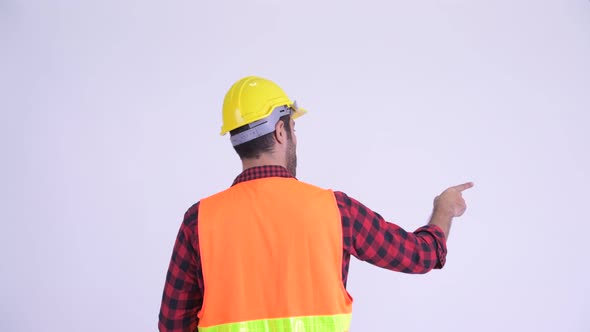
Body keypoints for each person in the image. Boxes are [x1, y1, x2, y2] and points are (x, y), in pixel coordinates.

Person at [158, 76, 473, 332]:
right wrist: (443, 209)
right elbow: (420, 255)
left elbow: (173, 325)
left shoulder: (199, 220)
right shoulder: (335, 211)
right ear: (281, 132)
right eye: (294, 127)